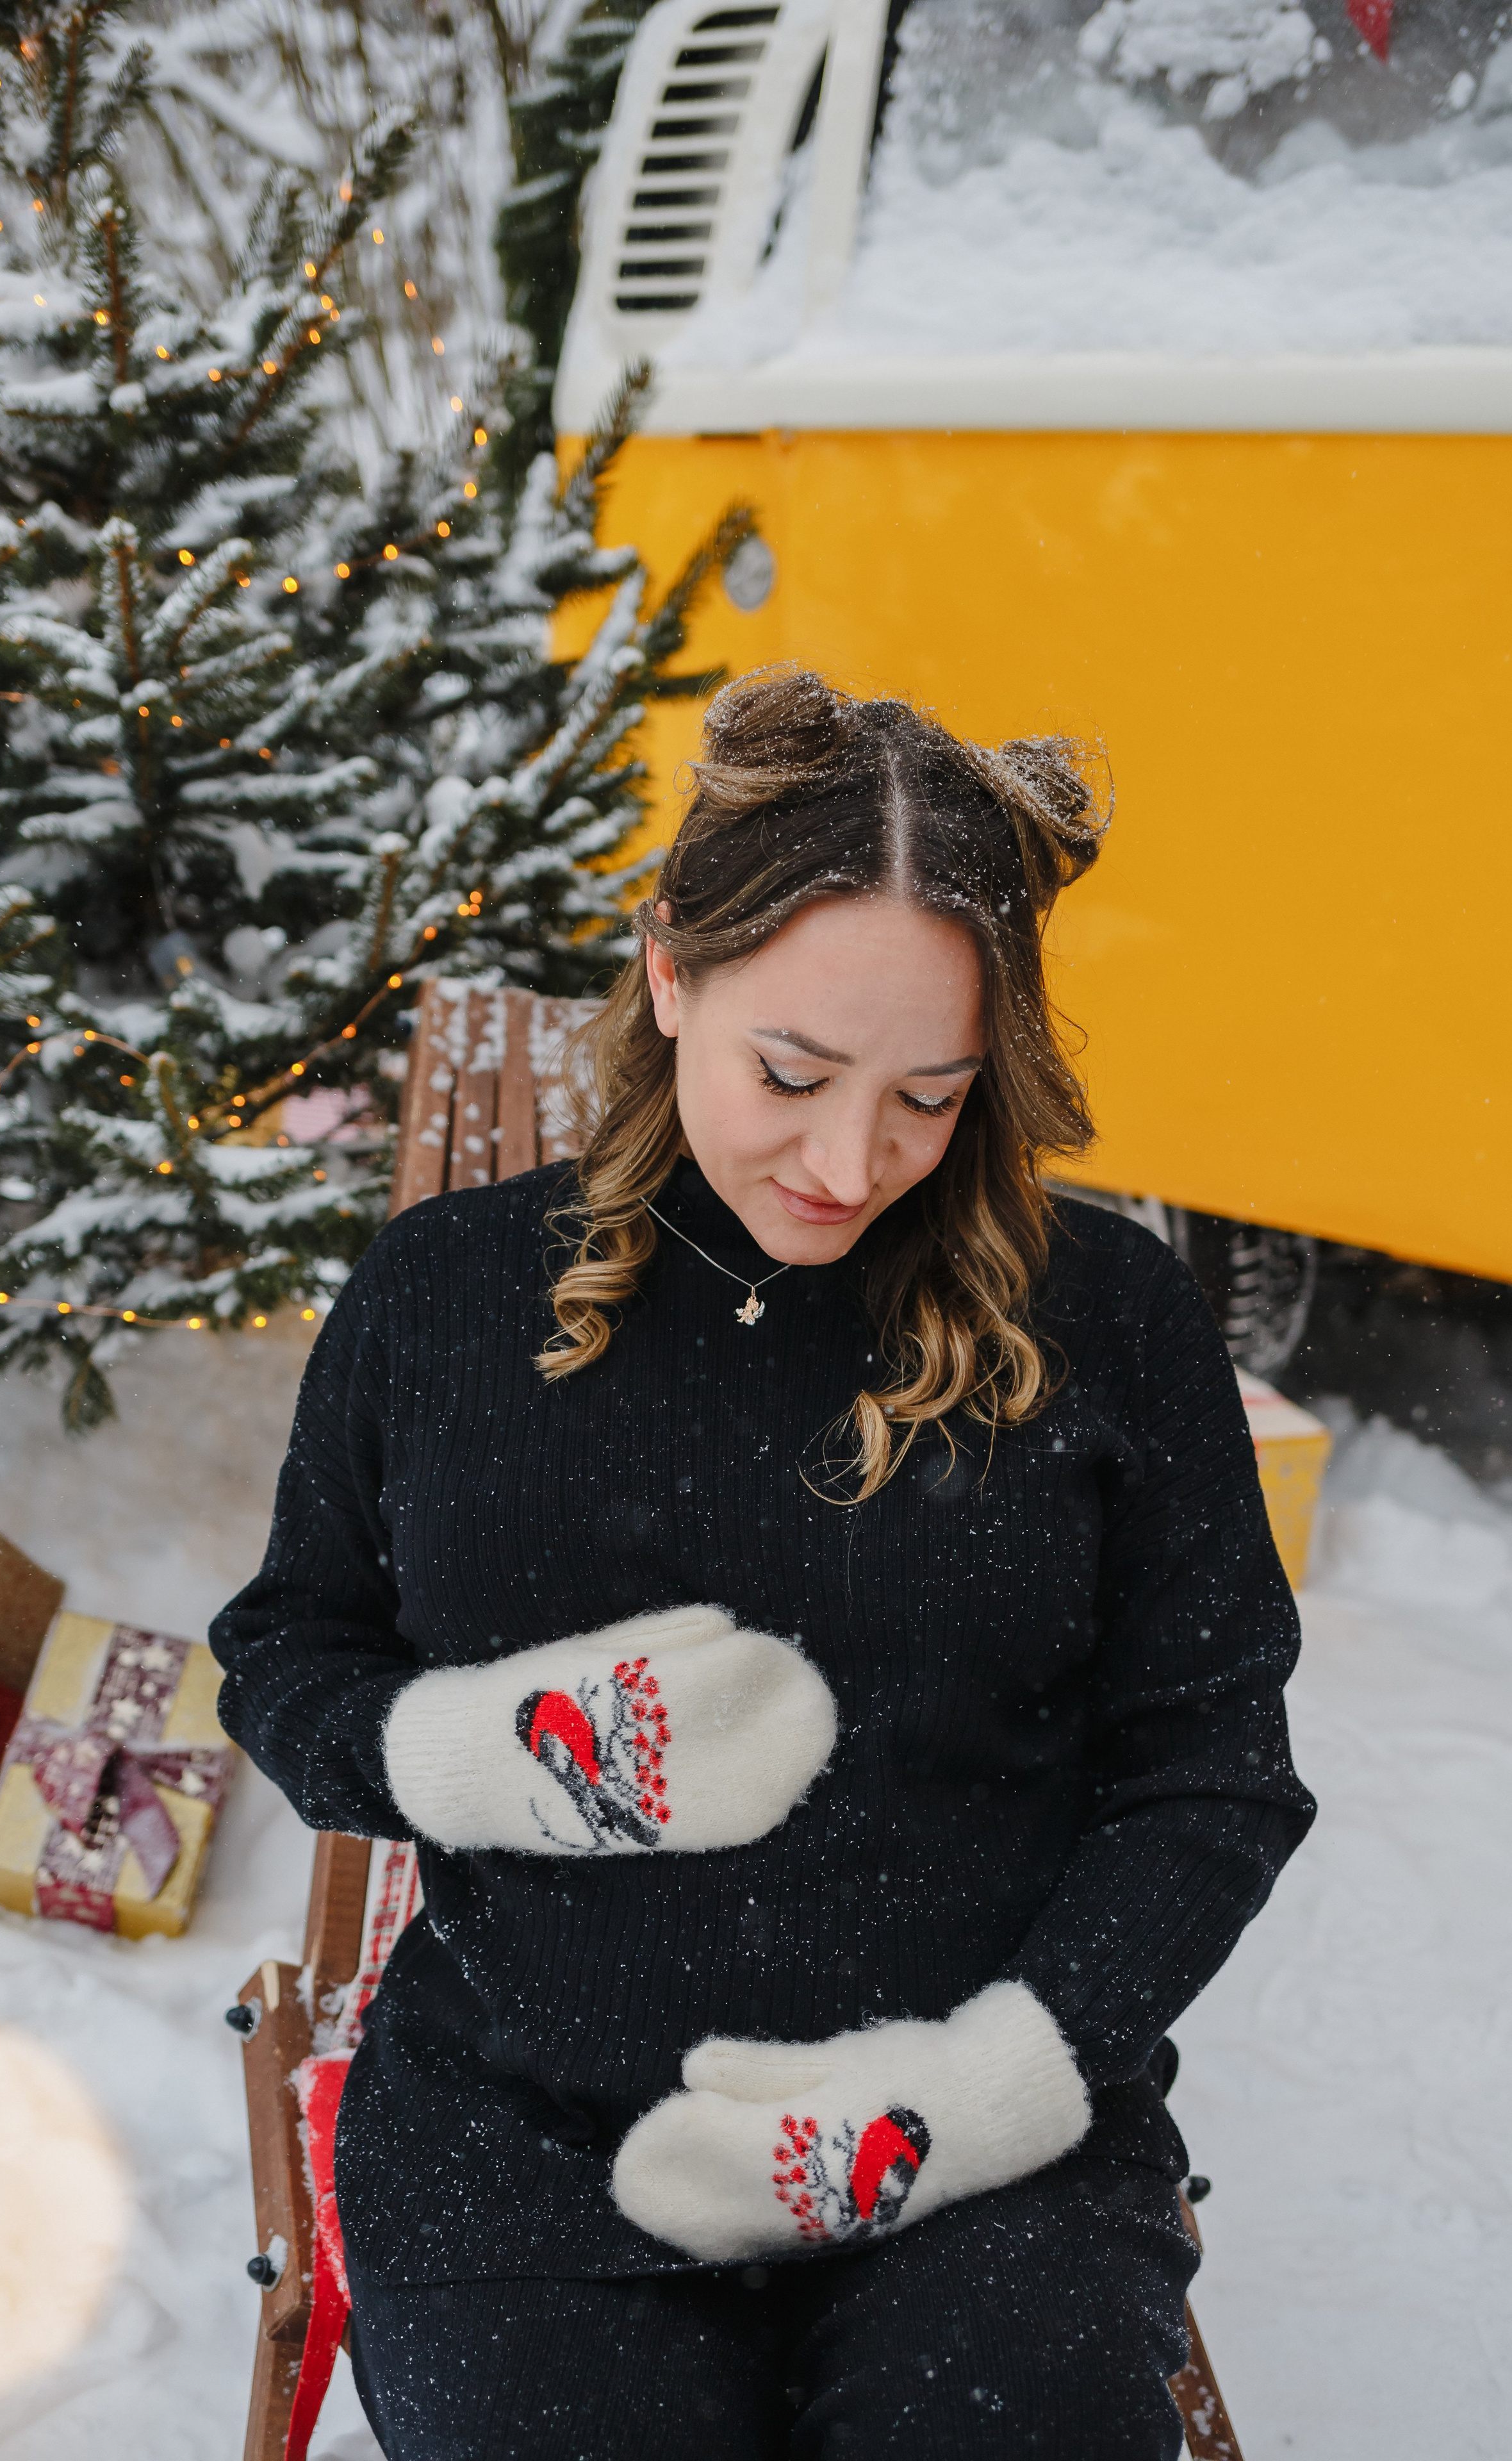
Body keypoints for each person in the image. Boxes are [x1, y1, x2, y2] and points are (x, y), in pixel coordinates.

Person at [212, 669, 1315, 2459]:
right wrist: (493, 1753)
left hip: (972, 2146)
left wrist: (992, 2082)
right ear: (671, 971)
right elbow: (290, 1650)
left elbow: (1212, 1771)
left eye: (929, 1096)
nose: (848, 1160)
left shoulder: (1107, 1324)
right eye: (790, 1073)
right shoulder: (444, 1301)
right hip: (534, 2138)